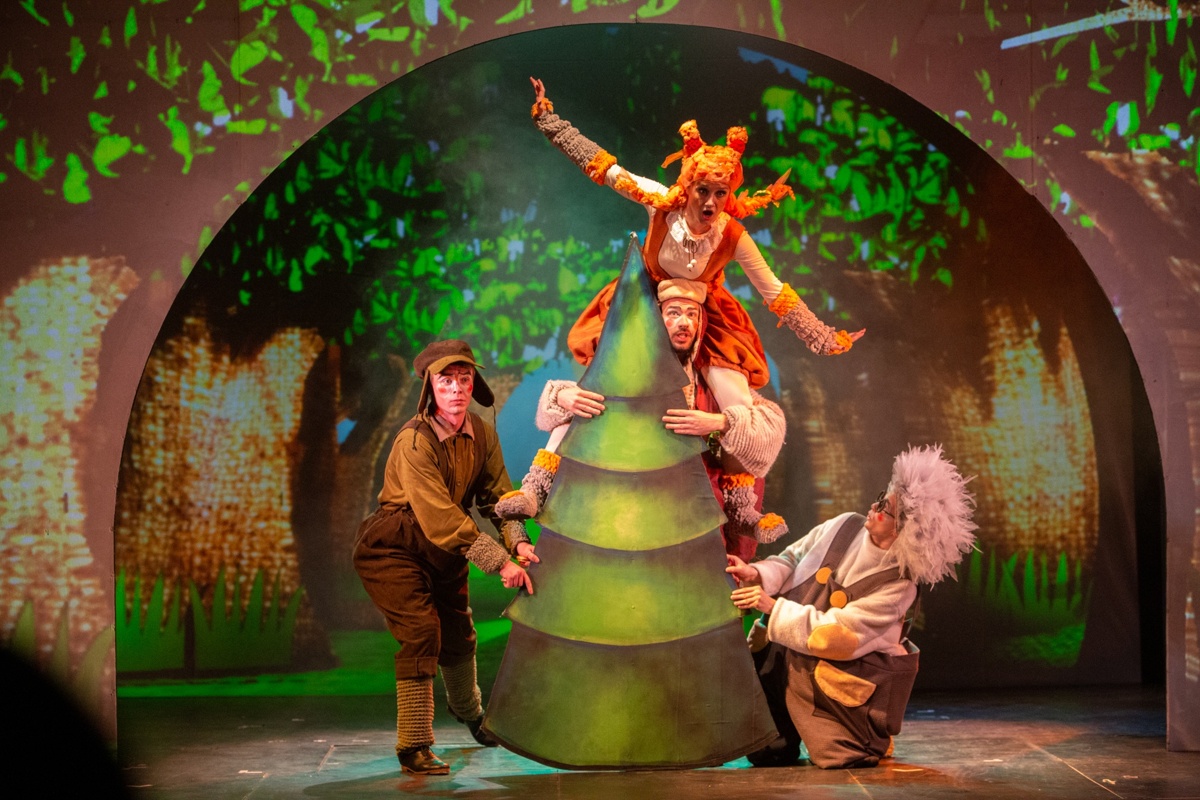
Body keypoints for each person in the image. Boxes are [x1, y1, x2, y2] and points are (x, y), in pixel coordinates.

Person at [528, 77, 863, 421]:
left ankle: (727, 447)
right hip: (644, 303)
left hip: (699, 314)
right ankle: (573, 443)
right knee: (606, 376)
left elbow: (775, 292)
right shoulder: (660, 203)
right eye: (703, 190)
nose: (711, 202)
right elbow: (604, 168)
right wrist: (549, 120)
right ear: (688, 187)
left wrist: (822, 337)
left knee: (731, 390)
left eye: (721, 193)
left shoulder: (732, 235)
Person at [498, 277, 789, 559]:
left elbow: (767, 421)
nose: (684, 322)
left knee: (740, 427)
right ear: (656, 321)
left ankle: (741, 513)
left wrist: (719, 422)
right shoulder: (631, 369)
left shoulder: (714, 378)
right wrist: (562, 395)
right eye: (673, 313)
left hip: (696, 495)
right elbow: (578, 402)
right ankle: (535, 489)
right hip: (633, 490)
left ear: (701, 323)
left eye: (691, 314)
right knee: (575, 412)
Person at [351, 339, 538, 776]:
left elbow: (497, 497)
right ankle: (414, 744)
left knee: (459, 634)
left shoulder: (482, 433)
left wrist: (518, 542)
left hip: (446, 548)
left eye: (464, 379)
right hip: (396, 545)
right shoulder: (413, 441)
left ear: (474, 384)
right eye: (446, 380)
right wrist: (499, 562)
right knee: (422, 632)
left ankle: (471, 713)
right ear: (430, 388)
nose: (456, 389)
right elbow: (439, 515)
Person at [726, 444, 977, 768]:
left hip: (830, 685)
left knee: (844, 755)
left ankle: (868, 735)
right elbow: (792, 558)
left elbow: (837, 636)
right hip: (782, 661)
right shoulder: (844, 525)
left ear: (905, 529)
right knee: (766, 752)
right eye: (881, 498)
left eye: (885, 508)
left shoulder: (897, 586)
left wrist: (773, 608)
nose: (874, 506)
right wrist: (757, 574)